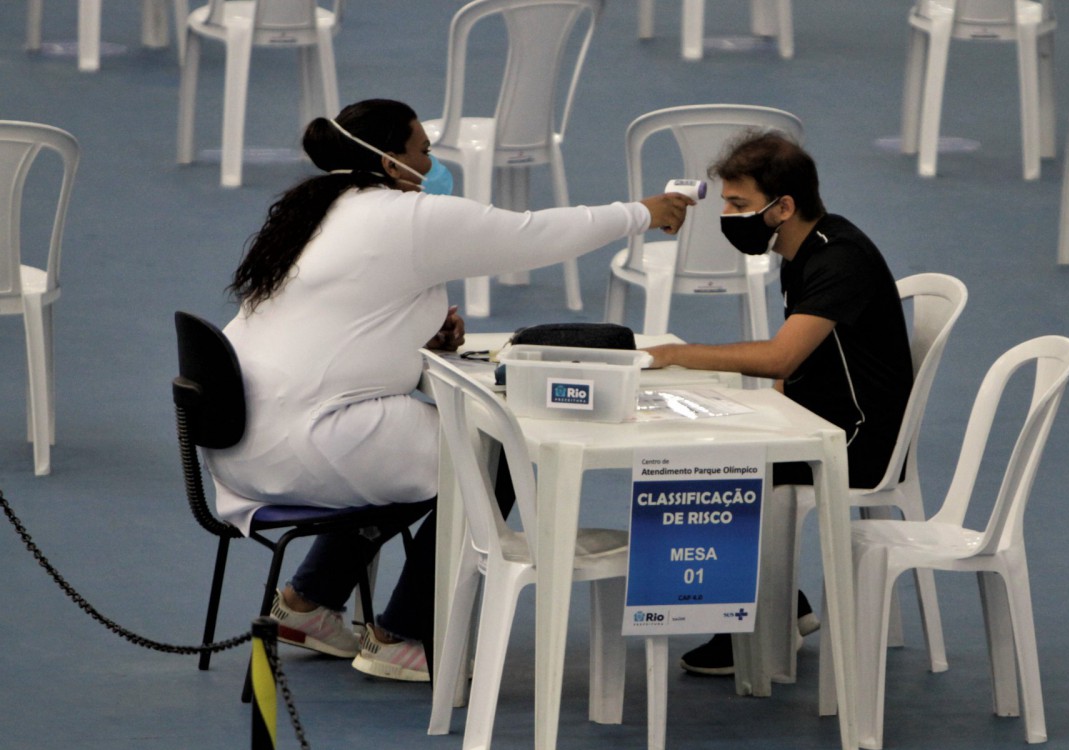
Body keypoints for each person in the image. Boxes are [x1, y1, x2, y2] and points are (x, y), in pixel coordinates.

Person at [204, 98, 693, 682]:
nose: (432, 161)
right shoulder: (406, 217)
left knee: (415, 451)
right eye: (423, 151)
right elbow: (533, 236)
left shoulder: (313, 213)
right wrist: (644, 212)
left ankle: (308, 605)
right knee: (490, 449)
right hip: (309, 441)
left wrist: (418, 335)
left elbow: (338, 327)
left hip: (240, 443)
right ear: (390, 163)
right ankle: (402, 635)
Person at [643, 130, 913, 676]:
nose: (726, 214)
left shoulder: (841, 260)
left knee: (718, 470)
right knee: (700, 456)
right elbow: (806, 366)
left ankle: (755, 623)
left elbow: (781, 358)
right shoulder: (798, 252)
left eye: (738, 204)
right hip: (820, 419)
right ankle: (780, 608)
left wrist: (677, 353)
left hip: (859, 439)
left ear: (783, 206)